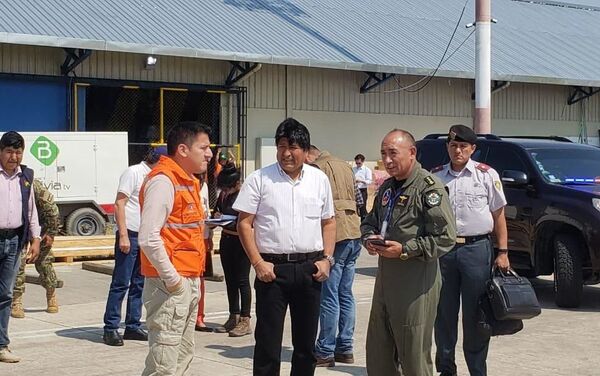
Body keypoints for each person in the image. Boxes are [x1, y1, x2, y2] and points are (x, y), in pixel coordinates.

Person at [234, 118, 336, 376]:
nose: (287, 153)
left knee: (305, 346)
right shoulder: (259, 179)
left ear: (305, 149)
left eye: (293, 147)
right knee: (268, 344)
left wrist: (327, 259)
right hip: (272, 271)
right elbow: (244, 224)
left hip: (309, 269)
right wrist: (258, 263)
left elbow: (329, 222)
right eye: (281, 146)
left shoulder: (319, 179)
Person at [361, 129, 456, 376]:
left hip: (416, 284)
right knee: (378, 352)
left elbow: (446, 238)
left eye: (393, 153)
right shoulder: (387, 189)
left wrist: (406, 250)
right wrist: (368, 239)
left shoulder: (428, 188)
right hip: (385, 282)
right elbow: (370, 221)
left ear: (412, 152)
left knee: (413, 357)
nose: (388, 160)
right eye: (383, 154)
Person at [432, 124, 510, 376]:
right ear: (447, 147)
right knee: (444, 314)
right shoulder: (436, 177)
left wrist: (503, 252)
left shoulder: (486, 175)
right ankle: (446, 369)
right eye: (453, 145)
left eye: (463, 146)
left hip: (477, 249)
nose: (458, 151)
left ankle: (478, 370)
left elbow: (499, 216)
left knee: (476, 313)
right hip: (444, 251)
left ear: (472, 149)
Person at [138, 122, 213, 375]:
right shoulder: (164, 181)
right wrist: (173, 280)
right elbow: (148, 237)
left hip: (187, 278)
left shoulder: (188, 181)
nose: (209, 154)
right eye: (203, 147)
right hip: (171, 283)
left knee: (181, 356)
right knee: (163, 364)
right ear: (182, 149)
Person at [101, 146, 166, 347]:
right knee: (121, 282)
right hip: (129, 233)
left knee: (139, 283)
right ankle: (110, 327)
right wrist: (123, 235)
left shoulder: (155, 176)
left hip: (145, 235)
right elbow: (120, 204)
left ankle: (132, 324)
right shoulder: (134, 172)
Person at [305, 146, 362, 367]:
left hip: (334, 234)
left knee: (329, 295)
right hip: (353, 231)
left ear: (309, 155)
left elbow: (312, 204)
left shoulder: (316, 169)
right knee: (345, 293)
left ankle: (325, 349)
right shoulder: (345, 166)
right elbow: (358, 198)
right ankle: (345, 347)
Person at [0, 131, 41, 363]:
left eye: (18, 152)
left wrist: (36, 238)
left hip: (15, 241)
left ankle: (1, 345)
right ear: (0, 152)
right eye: (9, 151)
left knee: (5, 295)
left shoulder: (25, 177)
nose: (13, 157)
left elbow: (31, 210)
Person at [12, 178, 61, 318]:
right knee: (18, 263)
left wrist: (51, 233)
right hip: (19, 227)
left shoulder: (33, 184)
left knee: (44, 262)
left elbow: (52, 210)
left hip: (41, 226)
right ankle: (16, 301)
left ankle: (51, 295)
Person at [213, 165, 252, 337]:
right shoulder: (223, 195)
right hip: (226, 239)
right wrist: (215, 218)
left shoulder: (246, 196)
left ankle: (245, 319)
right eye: (223, 188)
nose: (226, 191)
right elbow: (216, 212)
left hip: (241, 241)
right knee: (230, 280)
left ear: (237, 183)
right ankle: (233, 315)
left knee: (242, 280)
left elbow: (250, 221)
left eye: (228, 188)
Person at [194, 173, 213, 333]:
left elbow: (206, 210)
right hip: (188, 239)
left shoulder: (204, 186)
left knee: (200, 280)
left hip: (203, 237)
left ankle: (199, 317)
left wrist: (210, 236)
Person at [352, 153, 372, 220]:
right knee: (354, 207)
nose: (357, 164)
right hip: (354, 189)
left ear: (363, 161)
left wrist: (361, 181)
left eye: (359, 163)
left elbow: (369, 181)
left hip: (362, 190)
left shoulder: (367, 170)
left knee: (362, 207)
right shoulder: (353, 169)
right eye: (356, 163)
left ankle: (364, 223)